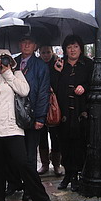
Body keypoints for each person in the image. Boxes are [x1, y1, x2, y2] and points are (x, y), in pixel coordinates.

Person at [0, 49, 53, 201]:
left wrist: (7, 73)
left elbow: (24, 90)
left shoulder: (17, 74)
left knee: (24, 164)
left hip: (13, 129)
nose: (2, 62)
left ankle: (40, 197)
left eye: (5, 59)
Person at [51, 35, 93, 192]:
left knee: (79, 144)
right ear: (65, 50)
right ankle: (68, 174)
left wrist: (84, 87)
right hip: (63, 111)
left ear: (80, 48)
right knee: (65, 144)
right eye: (69, 47)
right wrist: (57, 72)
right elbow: (54, 87)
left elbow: (94, 83)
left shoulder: (88, 64)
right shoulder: (59, 63)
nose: (72, 50)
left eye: (75, 46)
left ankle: (76, 176)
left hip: (81, 111)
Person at [10, 36, 50, 200]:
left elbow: (43, 92)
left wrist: (40, 116)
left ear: (35, 46)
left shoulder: (40, 66)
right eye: (23, 42)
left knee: (30, 154)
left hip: (32, 114)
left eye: (30, 42)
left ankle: (30, 188)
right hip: (13, 115)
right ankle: (15, 183)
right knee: (15, 153)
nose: (26, 45)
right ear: (19, 44)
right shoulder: (13, 62)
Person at [37, 45, 63, 176]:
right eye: (43, 52)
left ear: (52, 52)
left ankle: (57, 164)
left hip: (54, 104)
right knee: (41, 136)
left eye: (48, 52)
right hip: (40, 103)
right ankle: (45, 163)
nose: (46, 55)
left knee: (55, 135)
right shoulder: (37, 65)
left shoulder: (57, 64)